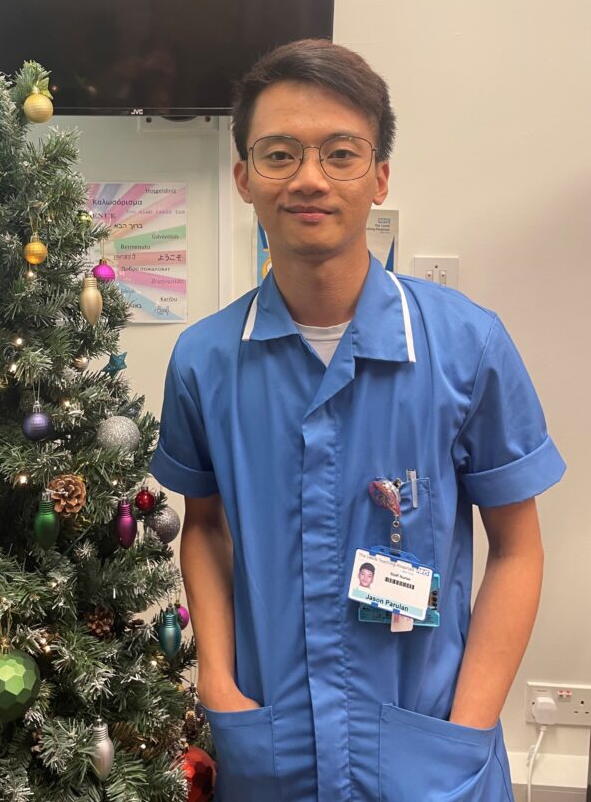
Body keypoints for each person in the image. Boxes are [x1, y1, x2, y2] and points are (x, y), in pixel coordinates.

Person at [149, 39, 565, 802]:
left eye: (340, 152)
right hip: (272, 747)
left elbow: (516, 548)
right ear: (244, 178)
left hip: (430, 750)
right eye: (279, 154)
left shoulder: (467, 346)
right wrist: (216, 679)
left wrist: (470, 725)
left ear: (378, 177)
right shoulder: (205, 362)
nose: (309, 177)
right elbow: (203, 527)